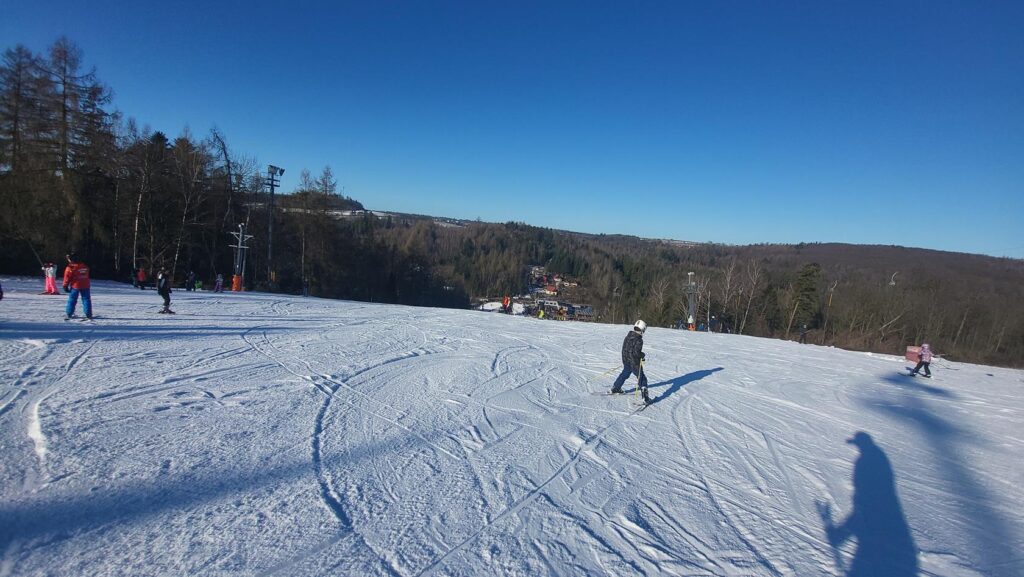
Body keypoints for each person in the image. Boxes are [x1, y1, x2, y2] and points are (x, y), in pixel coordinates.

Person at [610, 320, 651, 404]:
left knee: (624, 374)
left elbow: (624, 350)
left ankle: (616, 387)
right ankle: (645, 397)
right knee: (642, 377)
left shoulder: (628, 336)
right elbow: (636, 353)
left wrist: (625, 359)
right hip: (634, 363)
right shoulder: (639, 340)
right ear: (642, 330)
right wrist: (642, 355)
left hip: (626, 360)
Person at [63, 252, 93, 319]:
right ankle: (88, 314)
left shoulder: (71, 267)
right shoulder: (85, 265)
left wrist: (65, 285)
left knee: (72, 299)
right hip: (85, 285)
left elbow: (67, 277)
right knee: (86, 299)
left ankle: (69, 313)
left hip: (75, 286)